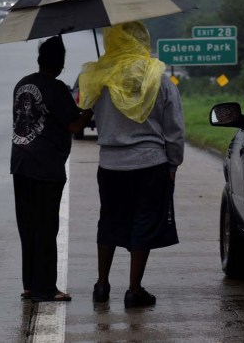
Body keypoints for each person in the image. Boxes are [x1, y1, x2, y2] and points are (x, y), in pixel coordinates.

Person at [78, 21, 185, 308]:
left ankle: (102, 285)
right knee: (144, 221)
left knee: (110, 220)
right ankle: (134, 289)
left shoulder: (98, 76)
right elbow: (174, 126)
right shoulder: (157, 76)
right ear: (142, 39)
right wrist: (173, 162)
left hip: (111, 164)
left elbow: (84, 110)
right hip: (150, 163)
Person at [11, 35, 92, 302]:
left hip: (21, 164)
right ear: (61, 63)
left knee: (28, 227)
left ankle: (30, 285)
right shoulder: (57, 88)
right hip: (46, 168)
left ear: (39, 59)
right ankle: (46, 288)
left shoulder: (22, 85)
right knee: (47, 227)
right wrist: (91, 106)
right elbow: (75, 126)